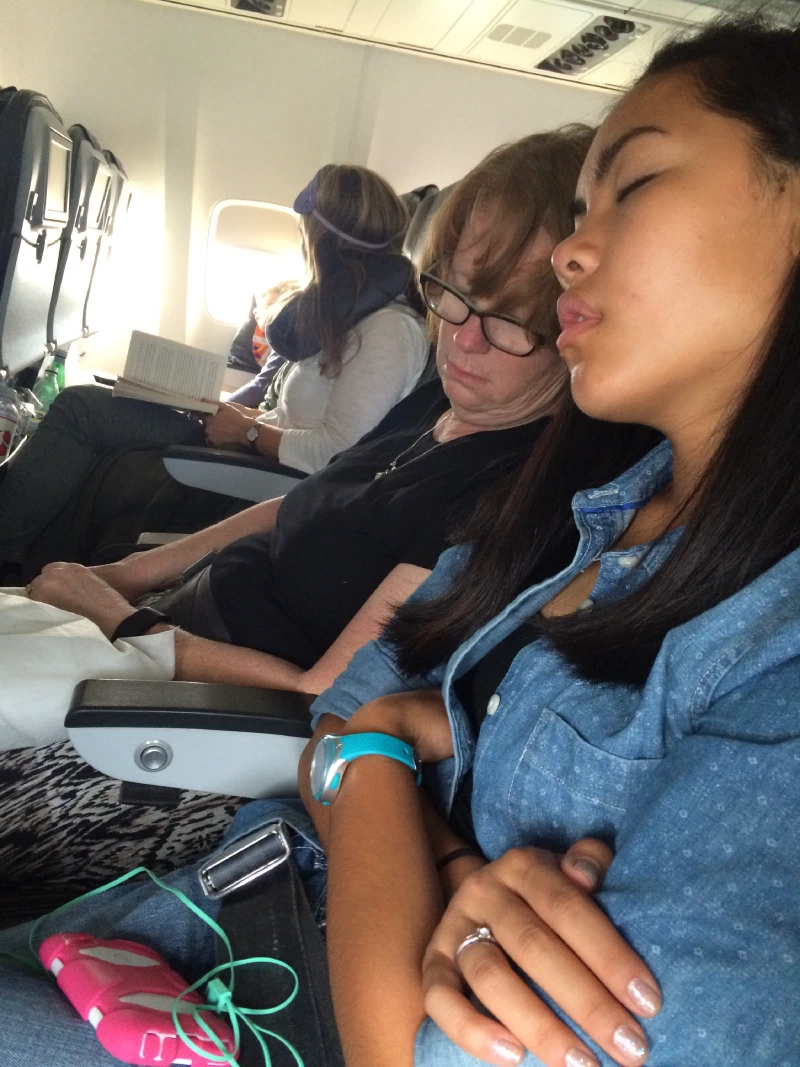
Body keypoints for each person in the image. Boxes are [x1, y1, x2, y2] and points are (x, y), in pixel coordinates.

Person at [2, 16, 797, 1066]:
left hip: (282, 985)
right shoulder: (599, 513)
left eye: (634, 184)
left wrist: (381, 756)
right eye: (453, 298)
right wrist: (434, 841)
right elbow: (347, 704)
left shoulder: (761, 646)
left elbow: (347, 724)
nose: (568, 253)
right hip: (242, 912)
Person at [0, 126, 658, 908]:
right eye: (454, 293)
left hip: (200, 722)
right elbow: (305, 500)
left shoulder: (510, 494)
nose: (464, 340)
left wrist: (124, 621)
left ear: (574, 326)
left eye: (513, 318)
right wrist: (127, 574)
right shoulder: (444, 399)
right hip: (170, 631)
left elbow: (323, 693)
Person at [0, 163, 428, 574]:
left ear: (321, 240)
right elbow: (306, 418)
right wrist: (244, 417)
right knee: (91, 406)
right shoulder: (347, 313)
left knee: (81, 410)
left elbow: (335, 455)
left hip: (273, 477)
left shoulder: (386, 330)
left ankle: (6, 550)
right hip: (253, 445)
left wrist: (247, 432)